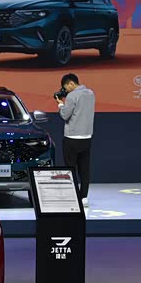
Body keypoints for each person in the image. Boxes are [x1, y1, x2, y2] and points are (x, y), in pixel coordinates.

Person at [56, 74, 95, 207]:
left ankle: (72, 196)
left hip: (72, 138)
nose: (65, 90)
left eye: (65, 87)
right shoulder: (90, 93)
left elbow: (65, 115)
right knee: (84, 169)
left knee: (70, 168)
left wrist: (60, 105)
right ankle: (84, 197)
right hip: (86, 137)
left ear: (71, 84)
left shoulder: (72, 96)